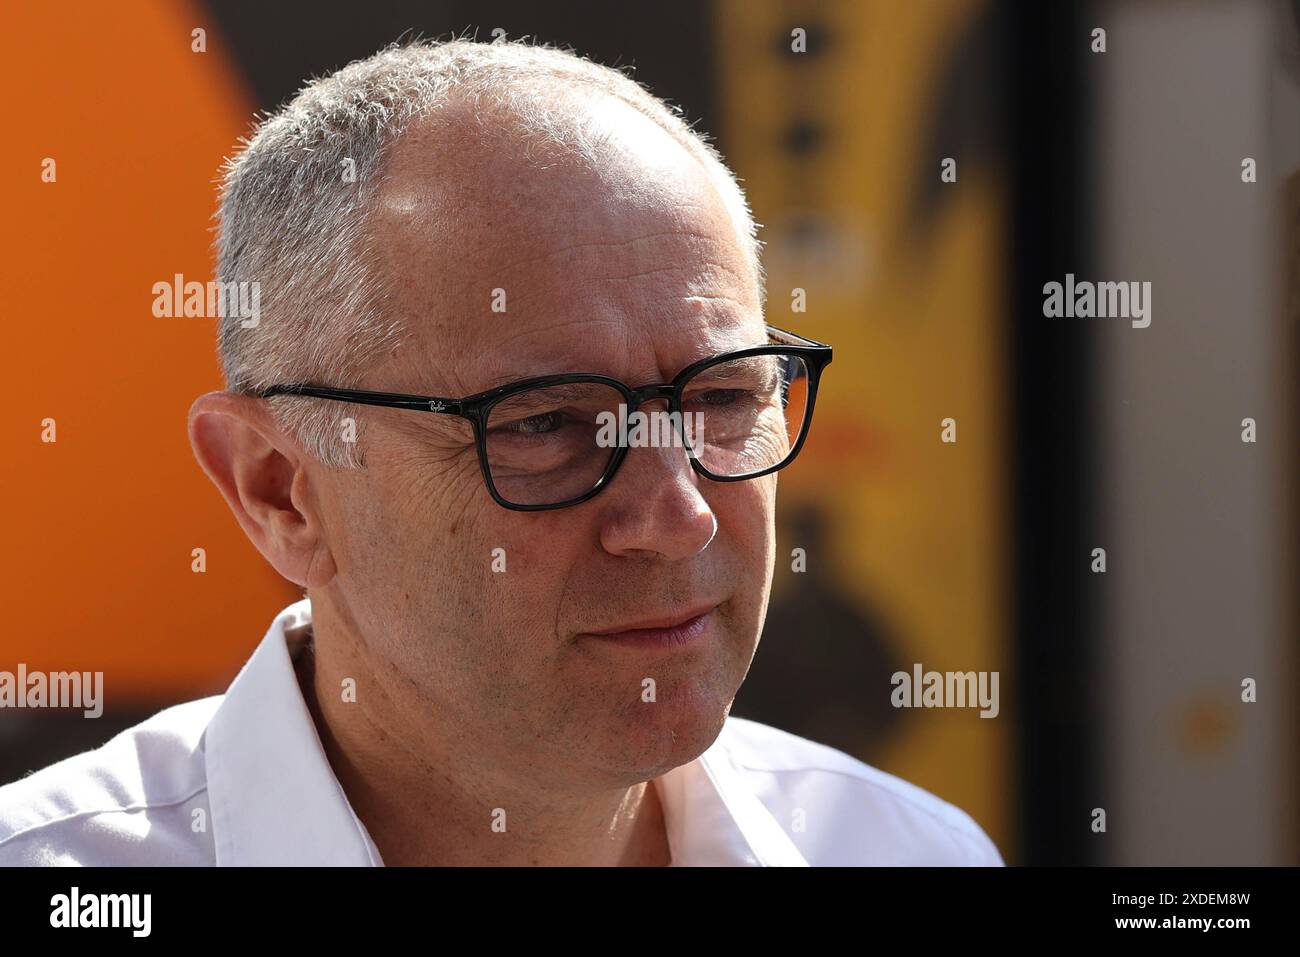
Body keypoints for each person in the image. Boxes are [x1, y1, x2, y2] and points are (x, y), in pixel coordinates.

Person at [0, 39, 1001, 866]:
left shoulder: (906, 850)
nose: (679, 514)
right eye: (546, 424)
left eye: (723, 396)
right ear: (280, 491)